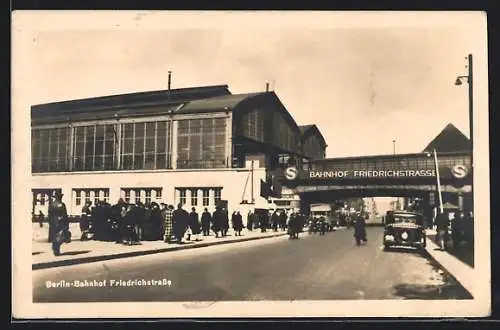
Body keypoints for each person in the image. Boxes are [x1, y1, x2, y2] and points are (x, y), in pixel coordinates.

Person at [48, 191, 69, 256]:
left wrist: (50, 222)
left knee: (55, 236)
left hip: (53, 222)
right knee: (60, 236)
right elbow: (65, 215)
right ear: (60, 197)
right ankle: (56, 250)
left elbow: (49, 214)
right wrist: (66, 224)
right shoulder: (62, 205)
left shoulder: (51, 204)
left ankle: (55, 249)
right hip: (60, 223)